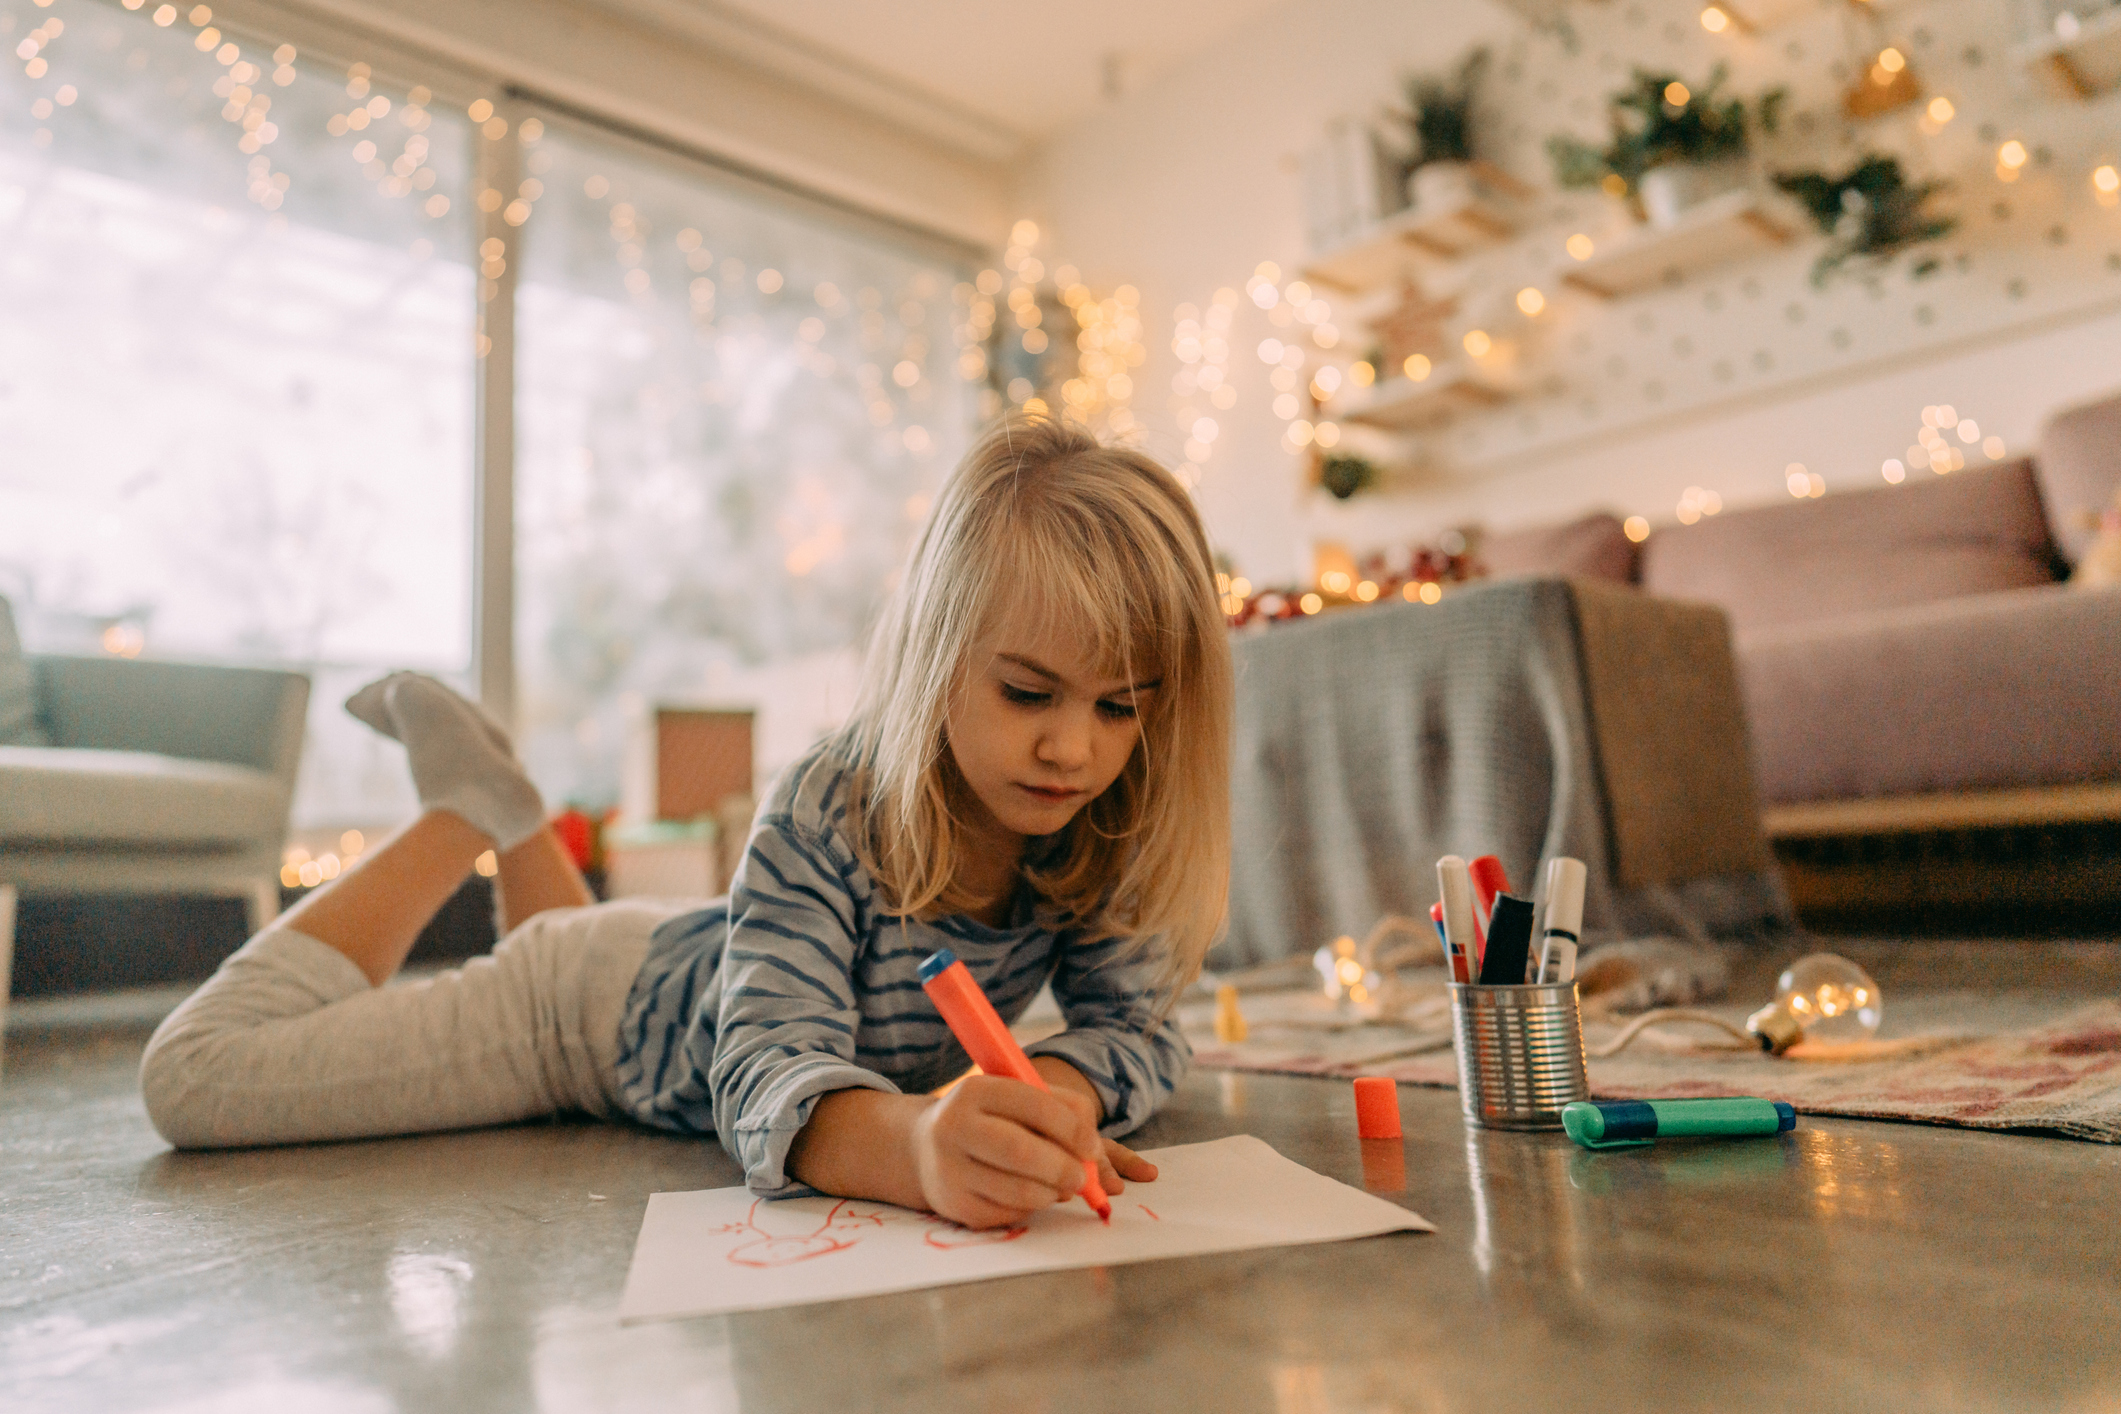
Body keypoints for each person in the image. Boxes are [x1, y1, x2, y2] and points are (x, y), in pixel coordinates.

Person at [140, 414, 1234, 1231]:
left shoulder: (1109, 819)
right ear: (936, 659)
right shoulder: (829, 804)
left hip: (697, 955)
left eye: (1121, 704)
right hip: (586, 1011)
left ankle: (518, 822)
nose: (1074, 748)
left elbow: (1139, 1029)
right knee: (200, 1077)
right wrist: (914, 1145)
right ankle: (460, 813)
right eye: (1029, 694)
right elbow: (762, 1067)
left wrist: (1055, 1090)